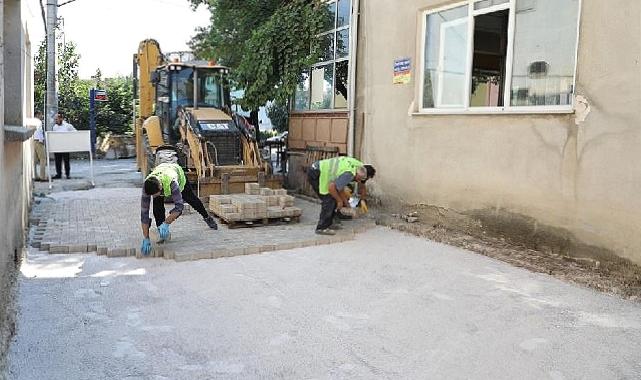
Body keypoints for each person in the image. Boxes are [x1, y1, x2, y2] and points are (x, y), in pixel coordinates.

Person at [140, 162, 218, 255]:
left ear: (160, 187)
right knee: (157, 208)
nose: (153, 196)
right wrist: (146, 238)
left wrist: (166, 223)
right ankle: (162, 232)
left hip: (178, 176)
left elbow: (179, 207)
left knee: (192, 200)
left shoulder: (172, 182)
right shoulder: (147, 186)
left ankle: (207, 217)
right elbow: (144, 214)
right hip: (162, 171)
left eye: (154, 194)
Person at [307, 156, 376, 235]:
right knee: (329, 200)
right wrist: (340, 201)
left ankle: (331, 221)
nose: (358, 181)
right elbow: (332, 188)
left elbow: (359, 185)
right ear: (358, 175)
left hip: (320, 169)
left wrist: (362, 199)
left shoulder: (360, 166)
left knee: (337, 197)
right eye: (359, 179)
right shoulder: (349, 174)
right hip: (317, 173)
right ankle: (322, 227)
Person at [52, 113, 76, 179]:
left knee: (66, 161)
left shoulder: (67, 126)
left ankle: (67, 174)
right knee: (57, 161)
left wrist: (69, 138)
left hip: (65, 146)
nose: (55, 120)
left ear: (61, 118)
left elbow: (75, 132)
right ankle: (58, 174)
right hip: (57, 146)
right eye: (55, 119)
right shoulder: (55, 127)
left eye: (56, 119)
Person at [32, 111, 47, 181]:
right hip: (38, 141)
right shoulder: (38, 122)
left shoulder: (32, 121)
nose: (42, 116)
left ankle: (35, 176)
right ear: (37, 115)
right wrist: (42, 140)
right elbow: (39, 132)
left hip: (33, 141)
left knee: (34, 160)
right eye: (41, 114)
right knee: (43, 159)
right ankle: (42, 177)